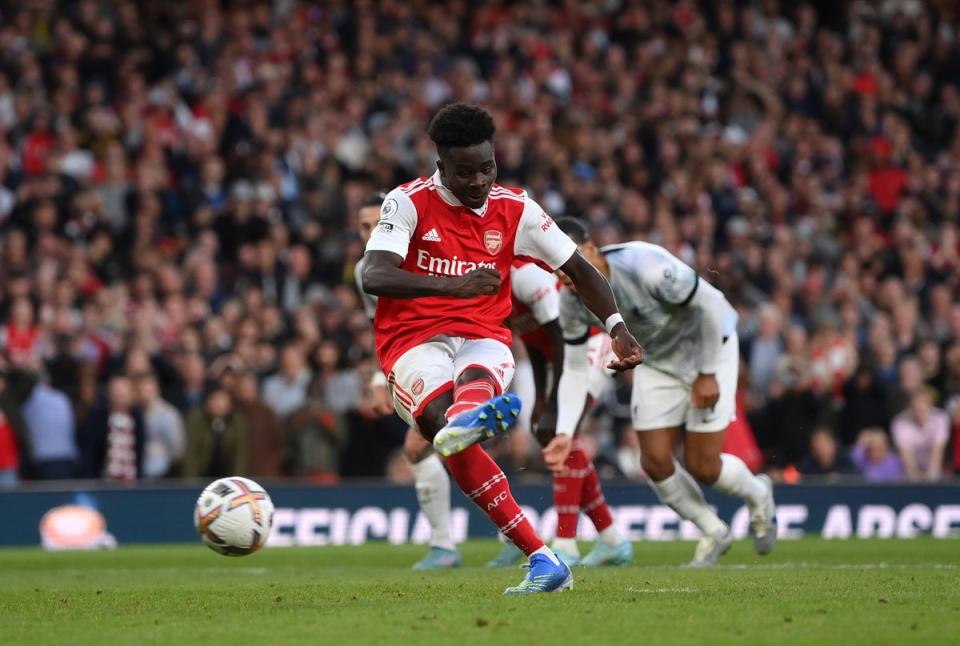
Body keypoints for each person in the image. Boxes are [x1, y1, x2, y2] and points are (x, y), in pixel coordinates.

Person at [361, 103, 641, 594]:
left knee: (466, 405)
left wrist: (617, 326)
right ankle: (541, 553)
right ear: (441, 165)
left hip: (484, 336)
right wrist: (455, 288)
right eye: (464, 172)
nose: (478, 181)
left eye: (487, 168)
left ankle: (538, 552)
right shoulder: (406, 202)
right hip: (414, 339)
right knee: (441, 426)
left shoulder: (516, 208)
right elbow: (375, 273)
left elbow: (580, 270)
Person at [548, 217, 776, 567]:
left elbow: (712, 304)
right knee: (653, 461)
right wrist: (565, 432)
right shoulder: (570, 303)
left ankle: (759, 495)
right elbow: (576, 369)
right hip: (658, 362)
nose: (566, 273)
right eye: (558, 266)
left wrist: (708, 373)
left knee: (703, 464)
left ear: (591, 249)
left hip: (709, 348)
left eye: (571, 259)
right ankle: (713, 530)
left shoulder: (644, 265)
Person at [487, 259, 631, 568]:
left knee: (563, 431)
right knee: (558, 434)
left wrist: (554, 404)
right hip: (560, 356)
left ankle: (566, 543)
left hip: (589, 343)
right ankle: (611, 539)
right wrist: (542, 401)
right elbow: (535, 345)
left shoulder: (524, 276)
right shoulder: (494, 287)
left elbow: (560, 333)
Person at [355, 193, 462, 570]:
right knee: (439, 447)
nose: (371, 233)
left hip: (459, 352)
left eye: (375, 224)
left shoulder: (426, 252)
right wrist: (378, 377)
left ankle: (446, 545)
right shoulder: (365, 271)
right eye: (363, 227)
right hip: (416, 361)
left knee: (425, 447)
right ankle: (463, 543)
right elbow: (380, 328)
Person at [890, 388, 949, 481]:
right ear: (910, 407)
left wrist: (931, 476)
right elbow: (906, 455)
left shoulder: (941, 418)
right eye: (916, 408)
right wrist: (914, 475)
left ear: (930, 406)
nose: (919, 412)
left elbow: (937, 451)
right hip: (908, 472)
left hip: (933, 469)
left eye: (922, 408)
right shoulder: (899, 422)